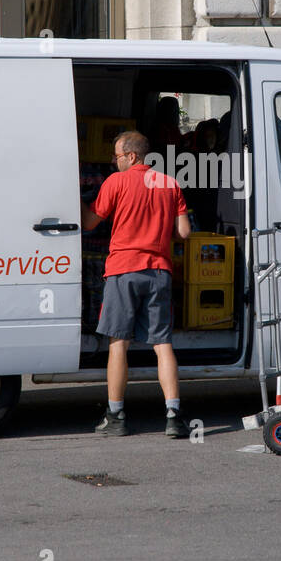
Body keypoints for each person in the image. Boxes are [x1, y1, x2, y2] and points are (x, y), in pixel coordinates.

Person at [80, 130, 191, 437]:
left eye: (116, 156)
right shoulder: (169, 183)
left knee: (119, 344)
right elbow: (184, 232)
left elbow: (90, 222)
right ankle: (173, 416)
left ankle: (115, 416)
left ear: (131, 156)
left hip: (123, 270)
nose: (114, 162)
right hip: (159, 272)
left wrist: (73, 197)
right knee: (162, 344)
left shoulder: (116, 183)